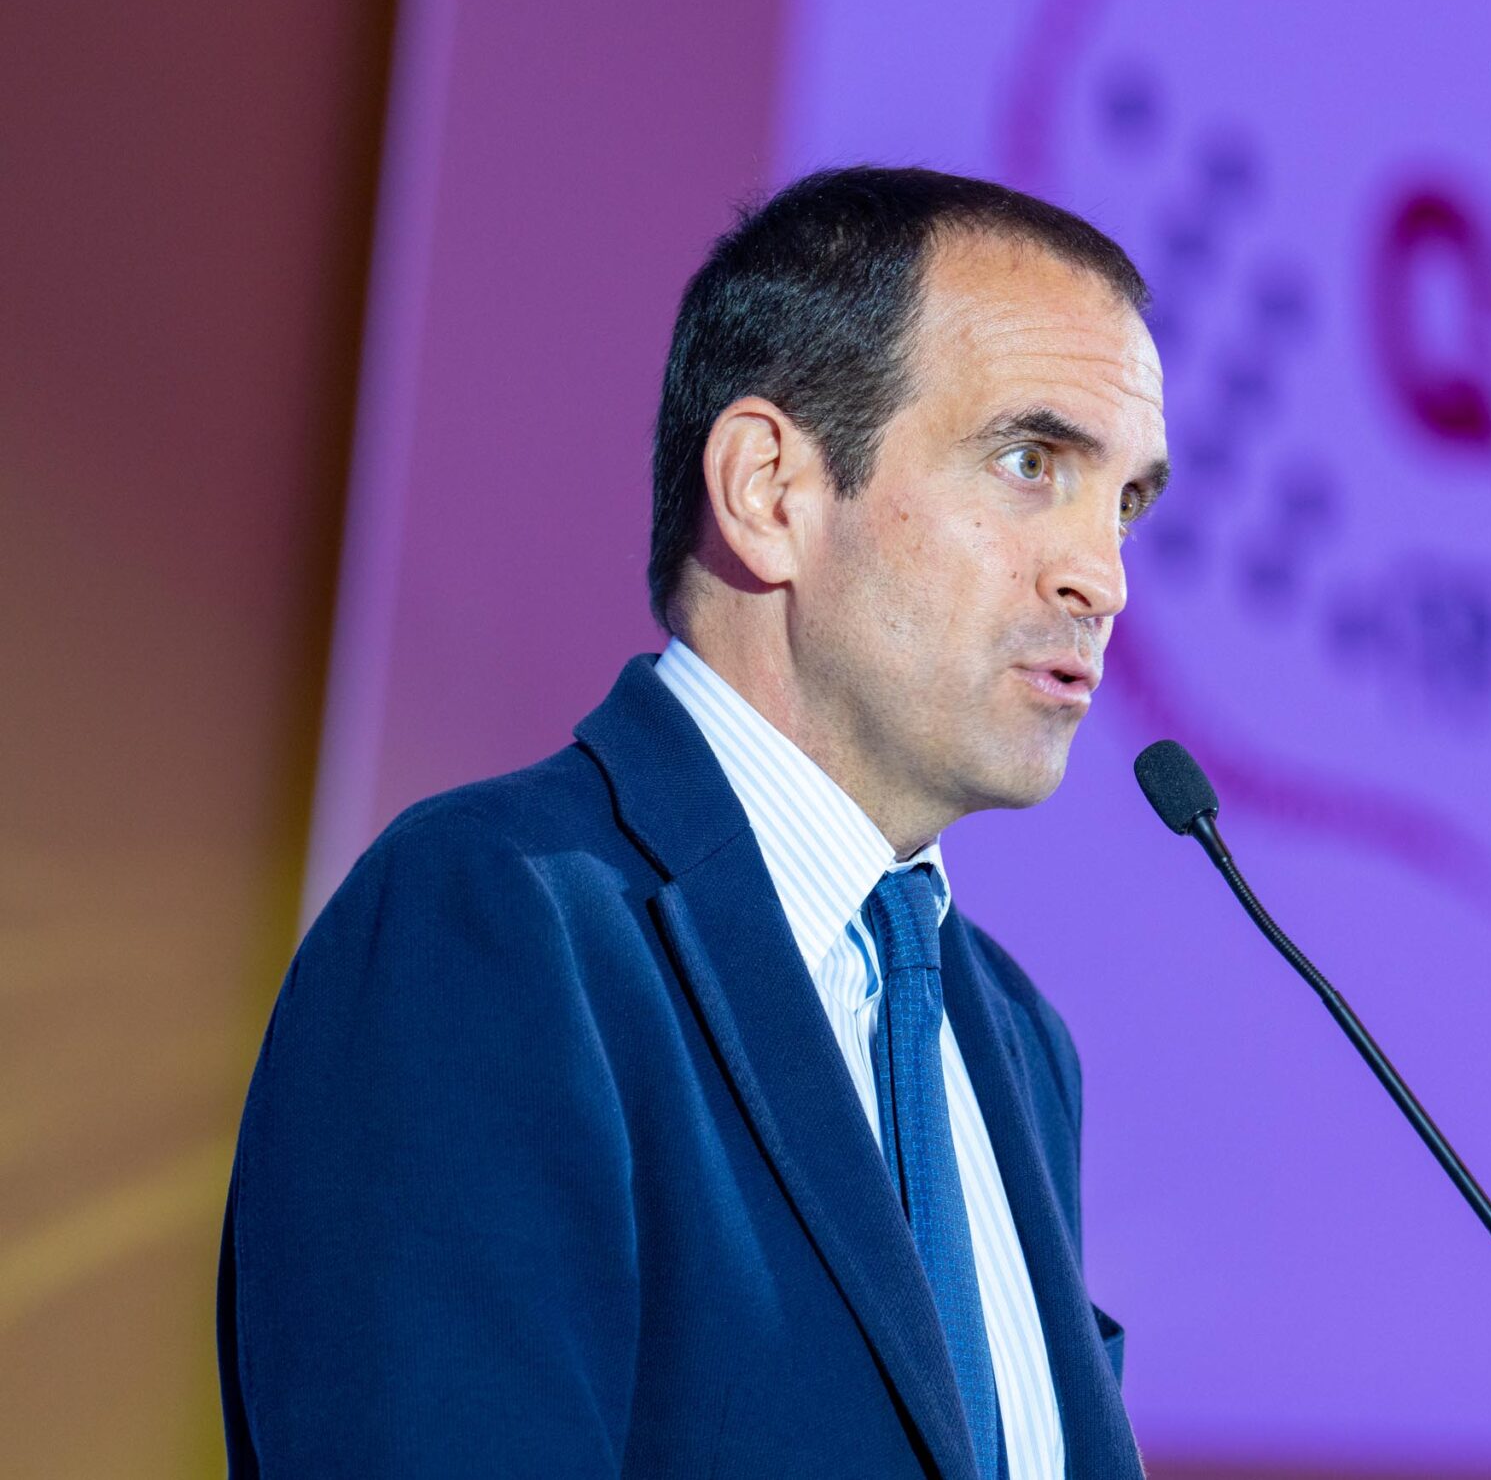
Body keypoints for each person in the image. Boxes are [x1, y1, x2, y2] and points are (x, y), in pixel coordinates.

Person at [219, 167, 1169, 1478]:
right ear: (769, 490)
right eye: (1030, 464)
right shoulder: (493, 930)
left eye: (1126, 503)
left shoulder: (1011, 1036)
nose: (1102, 577)